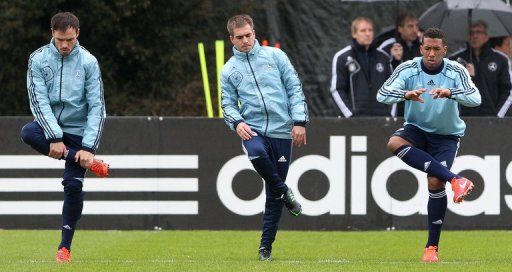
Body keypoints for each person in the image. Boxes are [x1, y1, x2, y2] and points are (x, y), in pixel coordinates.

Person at [377, 28, 481, 262]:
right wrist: (405, 94)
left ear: (444, 50)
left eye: (437, 49)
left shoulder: (456, 70)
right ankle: (456, 179)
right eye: (427, 48)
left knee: (435, 181)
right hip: (417, 129)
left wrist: (451, 93)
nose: (431, 53)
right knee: (394, 142)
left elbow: (476, 98)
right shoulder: (408, 67)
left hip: (446, 135)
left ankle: (431, 248)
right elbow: (382, 94)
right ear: (421, 48)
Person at [20, 12, 109, 263]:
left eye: (69, 39)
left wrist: (89, 148)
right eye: (60, 39)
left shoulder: (89, 62)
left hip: (80, 134)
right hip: (52, 132)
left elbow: (97, 108)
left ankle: (64, 248)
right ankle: (81, 161)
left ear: (77, 34)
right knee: (27, 132)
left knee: (72, 186)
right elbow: (38, 101)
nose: (65, 45)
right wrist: (55, 136)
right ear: (52, 34)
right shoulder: (37, 59)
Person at [221, 14, 308, 261]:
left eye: (249, 35)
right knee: (256, 152)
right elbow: (227, 103)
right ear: (232, 39)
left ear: (254, 32)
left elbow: (294, 87)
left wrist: (300, 121)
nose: (246, 41)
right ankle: (285, 191)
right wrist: (237, 122)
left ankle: (265, 248)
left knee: (273, 195)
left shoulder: (275, 56)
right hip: (253, 129)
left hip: (282, 130)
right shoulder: (228, 70)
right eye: (240, 37)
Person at [330, 17, 393, 117]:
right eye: (363, 30)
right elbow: (336, 89)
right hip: (355, 121)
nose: (368, 34)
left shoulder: (383, 57)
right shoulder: (342, 57)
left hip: (382, 119)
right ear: (354, 34)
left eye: (370, 30)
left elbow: (393, 87)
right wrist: (349, 115)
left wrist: (390, 114)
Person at [450, 21, 512, 117]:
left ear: (486, 36)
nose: (474, 36)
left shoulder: (500, 59)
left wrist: (498, 116)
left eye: (478, 32)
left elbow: (507, 91)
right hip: (463, 119)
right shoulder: (455, 59)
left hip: (492, 119)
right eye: (471, 33)